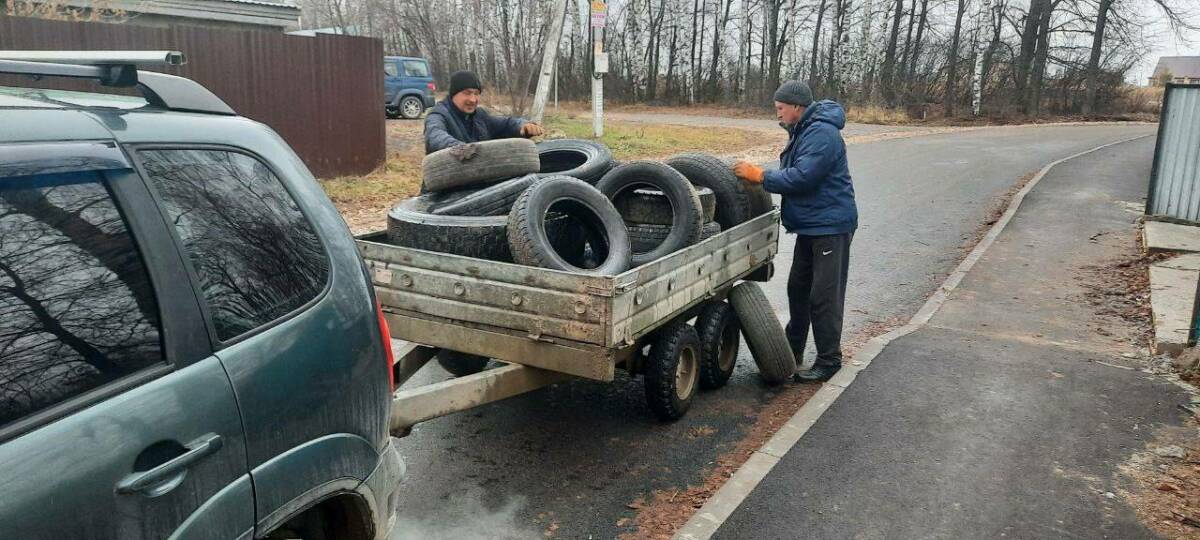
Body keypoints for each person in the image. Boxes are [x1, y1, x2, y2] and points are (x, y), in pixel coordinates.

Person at [731, 81, 858, 383]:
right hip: (813, 226)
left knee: (823, 296)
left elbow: (803, 178)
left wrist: (761, 176)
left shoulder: (822, 133)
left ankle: (829, 360)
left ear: (797, 107)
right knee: (798, 289)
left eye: (780, 108)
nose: (777, 114)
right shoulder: (804, 129)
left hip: (830, 226)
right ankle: (792, 350)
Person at [423, 70, 545, 154]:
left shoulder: (479, 115)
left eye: (476, 94)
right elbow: (435, 137)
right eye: (467, 93)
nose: (473, 99)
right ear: (454, 94)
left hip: (475, 182)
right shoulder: (438, 115)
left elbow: (506, 124)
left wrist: (523, 126)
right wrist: (462, 149)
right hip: (444, 188)